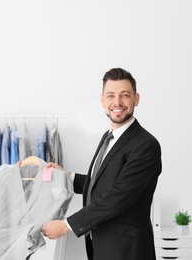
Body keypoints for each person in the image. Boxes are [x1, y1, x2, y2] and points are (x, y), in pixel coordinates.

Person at [42, 68, 162, 260]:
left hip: (127, 251)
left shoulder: (146, 145)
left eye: (125, 95)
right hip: (101, 246)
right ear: (102, 100)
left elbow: (118, 196)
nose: (117, 102)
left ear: (136, 99)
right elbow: (103, 184)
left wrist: (66, 225)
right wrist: (67, 176)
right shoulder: (108, 138)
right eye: (111, 95)